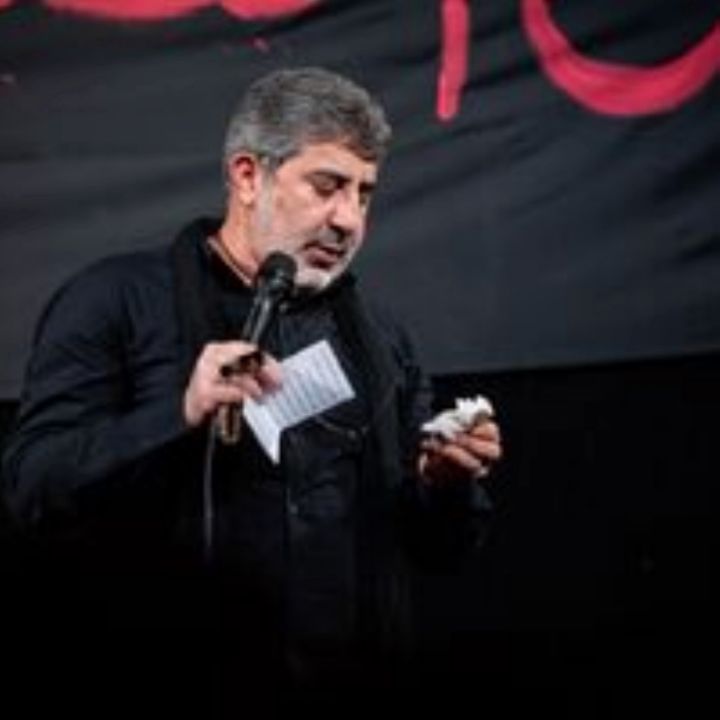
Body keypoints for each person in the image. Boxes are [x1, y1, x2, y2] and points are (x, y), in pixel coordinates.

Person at [2, 67, 502, 715]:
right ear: (247, 176)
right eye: (327, 186)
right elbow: (33, 488)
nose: (348, 219)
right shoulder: (115, 301)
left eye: (364, 194)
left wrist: (445, 484)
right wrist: (180, 411)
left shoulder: (380, 340)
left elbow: (440, 551)